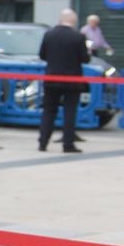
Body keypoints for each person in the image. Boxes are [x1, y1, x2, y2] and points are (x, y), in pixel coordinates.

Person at [38, 9, 90, 154]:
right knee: (70, 112)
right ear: (73, 21)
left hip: (51, 77)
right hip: (72, 80)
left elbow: (42, 55)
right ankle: (68, 144)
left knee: (48, 111)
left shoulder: (49, 34)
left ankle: (43, 142)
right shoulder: (78, 37)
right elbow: (85, 59)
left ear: (60, 20)